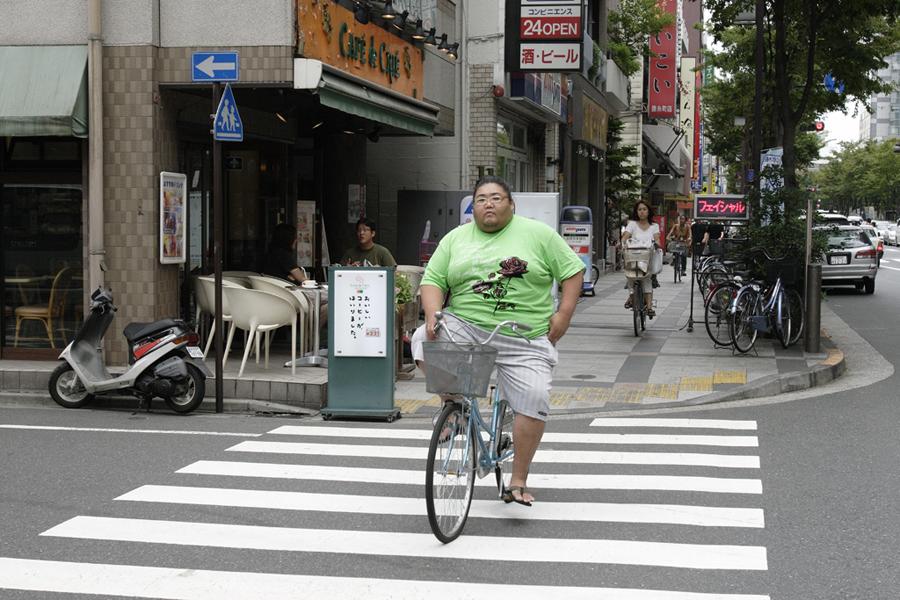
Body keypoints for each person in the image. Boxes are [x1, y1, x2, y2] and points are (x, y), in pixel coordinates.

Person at [412, 175, 584, 506]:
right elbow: (433, 279)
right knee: (423, 339)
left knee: (534, 397)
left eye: (496, 198)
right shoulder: (456, 238)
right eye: (481, 199)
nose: (488, 204)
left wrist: (563, 315)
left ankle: (517, 480)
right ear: (472, 207)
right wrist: (433, 314)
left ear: (511, 204)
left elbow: (571, 271)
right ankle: (457, 406)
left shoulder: (538, 234)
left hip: (524, 333)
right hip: (467, 325)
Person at [621, 200, 660, 318]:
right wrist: (622, 244)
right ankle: (632, 298)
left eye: (644, 209)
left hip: (648, 257)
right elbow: (625, 237)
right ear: (636, 212)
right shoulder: (632, 224)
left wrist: (657, 244)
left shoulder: (654, 226)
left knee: (647, 278)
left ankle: (649, 307)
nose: (642, 212)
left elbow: (657, 239)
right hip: (633, 256)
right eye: (639, 210)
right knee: (630, 277)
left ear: (648, 211)